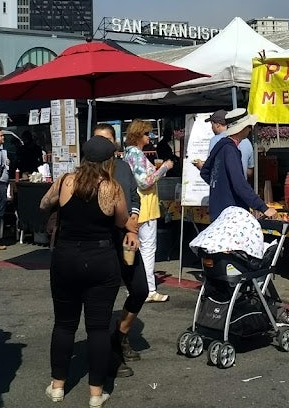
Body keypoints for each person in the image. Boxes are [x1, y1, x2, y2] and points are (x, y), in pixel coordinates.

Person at [41, 135, 129, 408]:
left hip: (67, 257)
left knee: (64, 324)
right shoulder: (112, 188)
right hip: (101, 259)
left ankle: (57, 386)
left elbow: (44, 204)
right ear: (107, 161)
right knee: (98, 329)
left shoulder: (67, 181)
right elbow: (122, 221)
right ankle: (95, 393)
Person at [94, 123, 143, 377]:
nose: (102, 145)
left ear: (115, 143)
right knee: (104, 297)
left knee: (140, 288)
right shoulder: (87, 173)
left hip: (127, 238)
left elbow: (135, 197)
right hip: (101, 243)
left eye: (107, 140)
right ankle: (109, 356)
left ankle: (120, 335)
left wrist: (133, 218)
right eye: (97, 140)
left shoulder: (123, 167)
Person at [122, 119, 173, 303]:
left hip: (136, 206)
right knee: (147, 249)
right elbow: (144, 182)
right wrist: (163, 169)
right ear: (138, 135)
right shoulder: (136, 154)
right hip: (145, 207)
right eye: (146, 134)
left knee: (135, 250)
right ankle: (149, 289)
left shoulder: (129, 154)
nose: (149, 137)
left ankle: (135, 286)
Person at [200, 113, 277, 222]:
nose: (250, 130)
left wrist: (221, 187)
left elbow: (204, 172)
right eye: (249, 127)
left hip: (218, 210)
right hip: (230, 213)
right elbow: (239, 183)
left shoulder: (220, 146)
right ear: (241, 128)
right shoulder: (230, 150)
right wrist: (263, 207)